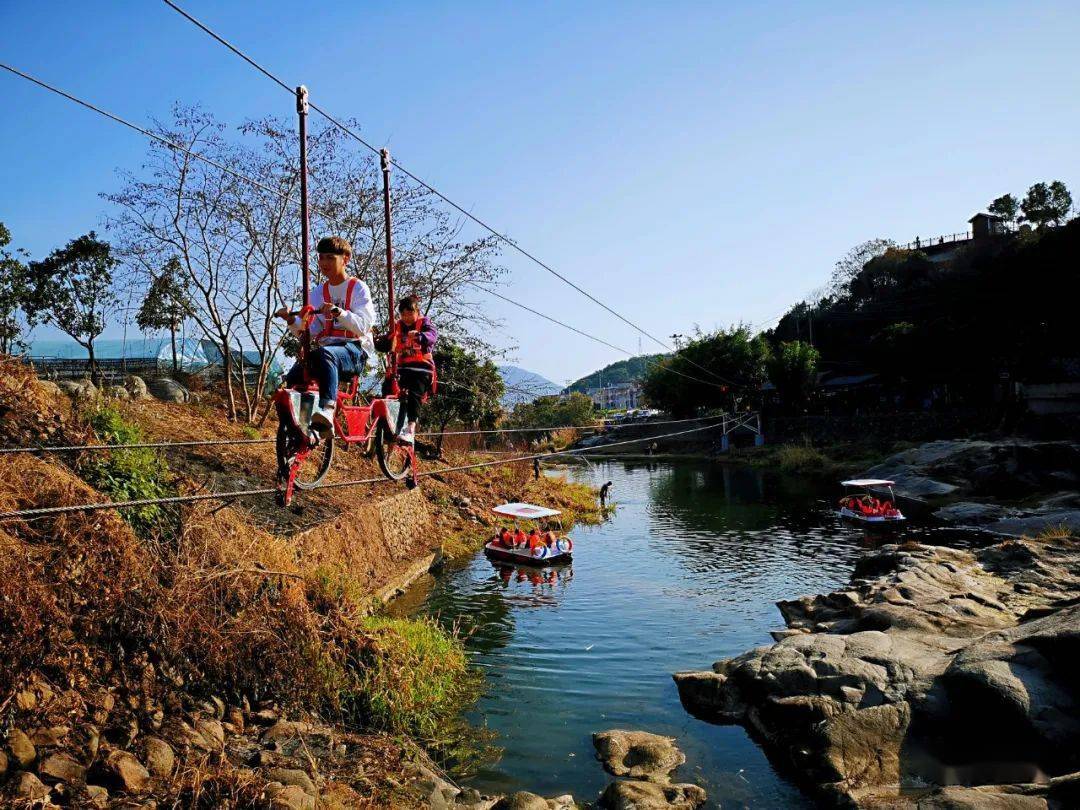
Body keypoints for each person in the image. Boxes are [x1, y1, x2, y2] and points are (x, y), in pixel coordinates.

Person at [276, 236, 375, 434]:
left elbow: (364, 326)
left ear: (345, 259)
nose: (324, 264)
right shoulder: (318, 293)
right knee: (295, 374)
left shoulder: (358, 288)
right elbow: (309, 332)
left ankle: (327, 411)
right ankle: (300, 428)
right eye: (321, 258)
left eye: (330, 258)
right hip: (326, 354)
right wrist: (290, 320)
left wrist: (340, 312)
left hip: (353, 352)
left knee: (325, 354)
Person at [378, 295, 437, 444]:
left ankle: (410, 428)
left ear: (417, 312)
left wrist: (420, 336)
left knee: (415, 393)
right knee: (387, 388)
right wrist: (379, 341)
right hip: (403, 369)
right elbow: (389, 341)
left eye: (410, 313)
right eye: (403, 314)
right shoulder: (397, 326)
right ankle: (386, 426)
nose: (407, 317)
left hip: (422, 369)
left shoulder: (424, 323)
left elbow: (432, 336)